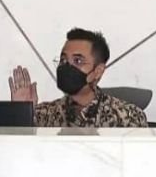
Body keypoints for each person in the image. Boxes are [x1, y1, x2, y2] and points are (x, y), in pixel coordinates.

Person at [9, 28, 147, 128]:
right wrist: (21, 113)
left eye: (78, 61)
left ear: (98, 71)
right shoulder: (44, 115)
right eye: (63, 60)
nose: (67, 67)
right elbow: (17, 152)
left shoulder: (128, 117)